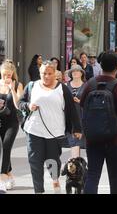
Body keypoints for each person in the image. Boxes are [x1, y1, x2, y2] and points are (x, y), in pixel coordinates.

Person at [18, 62, 82, 194]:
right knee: (35, 162)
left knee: (52, 160)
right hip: (34, 130)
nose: (46, 76)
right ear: (40, 73)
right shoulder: (32, 86)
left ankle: (54, 178)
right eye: (43, 73)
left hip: (54, 132)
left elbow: (71, 110)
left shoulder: (62, 89)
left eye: (49, 73)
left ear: (55, 74)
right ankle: (39, 190)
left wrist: (76, 129)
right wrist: (28, 106)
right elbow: (20, 102)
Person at [81, 51, 117, 194]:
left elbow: (83, 109)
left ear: (100, 65)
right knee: (115, 178)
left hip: (93, 139)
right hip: (115, 139)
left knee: (92, 176)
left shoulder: (90, 84)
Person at [0, 61, 23, 190]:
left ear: (13, 74)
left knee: (6, 146)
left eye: (8, 75)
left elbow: (18, 104)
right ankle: (10, 174)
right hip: (0, 120)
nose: (6, 78)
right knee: (2, 149)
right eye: (3, 75)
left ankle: (2, 177)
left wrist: (12, 90)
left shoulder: (17, 85)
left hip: (12, 122)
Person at [66, 65, 86, 158]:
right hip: (70, 117)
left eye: (77, 71)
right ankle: (75, 163)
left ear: (81, 73)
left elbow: (90, 101)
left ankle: (77, 163)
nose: (75, 72)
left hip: (82, 116)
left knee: (80, 141)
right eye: (73, 71)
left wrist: (80, 101)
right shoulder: (66, 85)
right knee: (74, 142)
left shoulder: (86, 86)